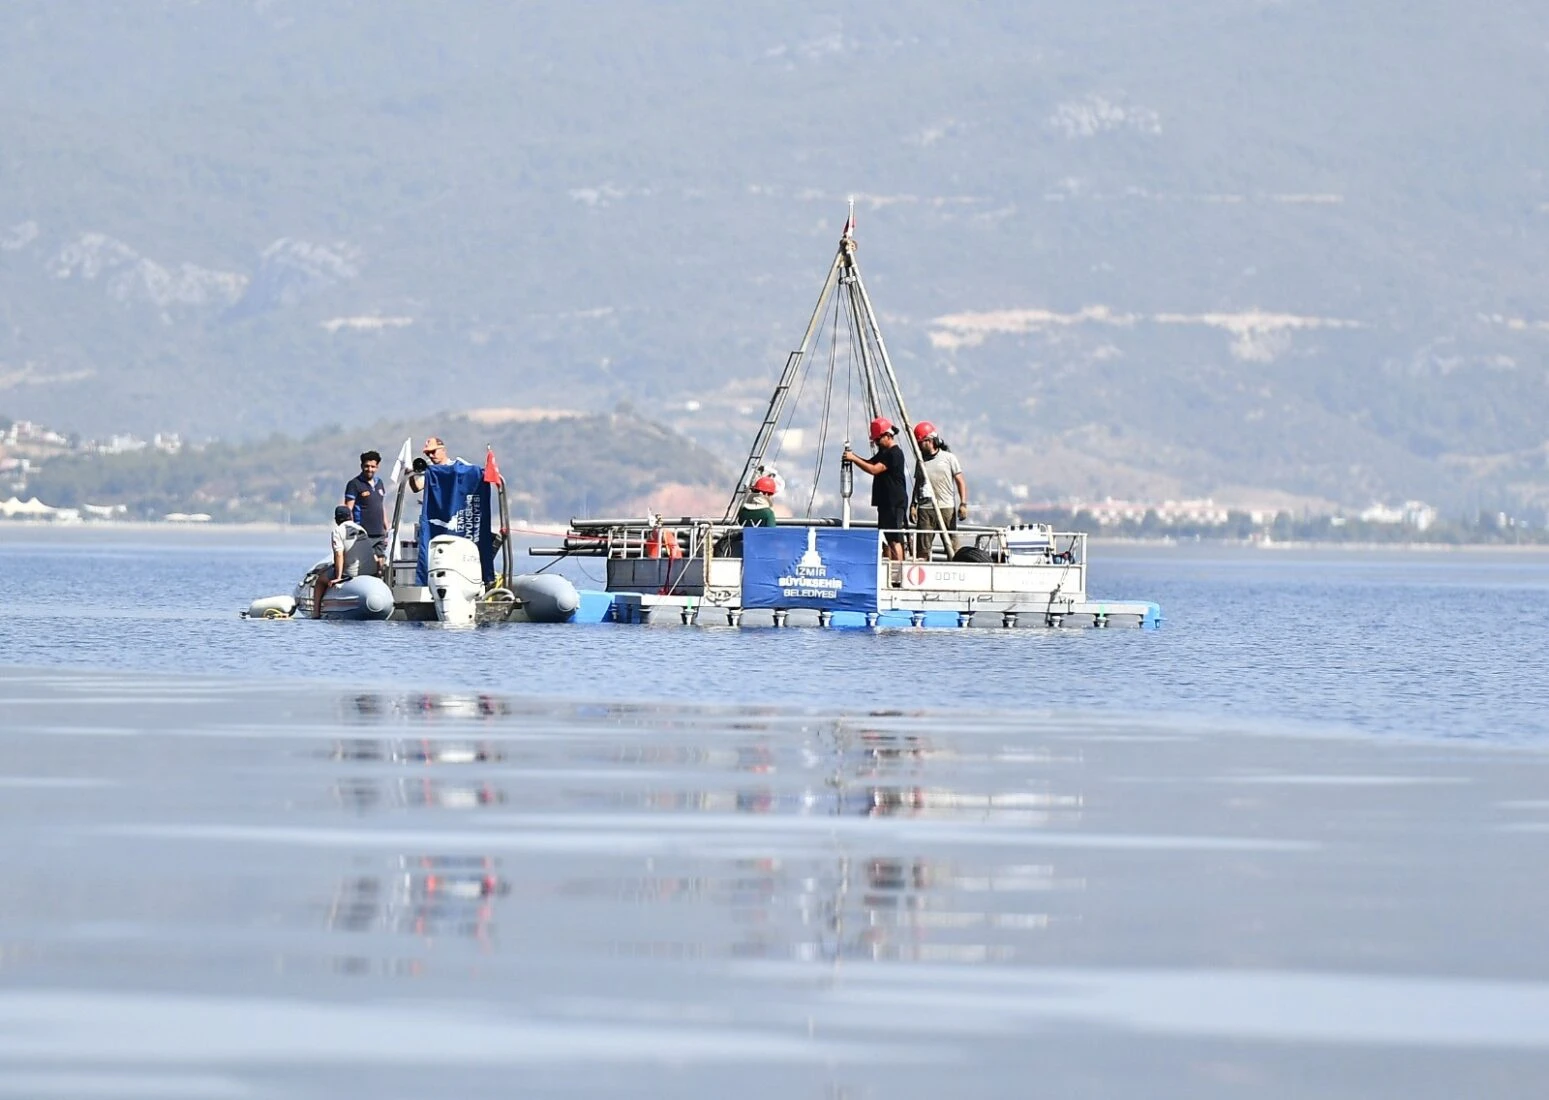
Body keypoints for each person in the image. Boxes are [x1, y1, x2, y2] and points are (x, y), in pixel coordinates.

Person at [842, 417, 909, 562]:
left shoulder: (894, 453)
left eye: (878, 439)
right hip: (884, 502)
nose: (877, 443)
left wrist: (854, 459)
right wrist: (853, 457)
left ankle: (898, 571)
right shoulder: (883, 453)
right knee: (885, 538)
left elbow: (874, 469)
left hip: (894, 502)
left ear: (887, 435)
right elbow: (870, 462)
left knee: (894, 538)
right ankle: (887, 568)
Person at [910, 421, 970, 559]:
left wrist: (963, 503)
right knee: (922, 548)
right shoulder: (920, 461)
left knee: (952, 546)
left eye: (921, 442)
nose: (919, 446)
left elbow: (960, 481)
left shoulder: (948, 458)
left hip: (946, 507)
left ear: (929, 441)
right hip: (926, 509)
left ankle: (955, 569)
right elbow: (918, 483)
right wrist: (913, 505)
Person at [312, 505, 378, 618]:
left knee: (320, 580)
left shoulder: (338, 531)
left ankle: (316, 612)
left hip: (351, 573)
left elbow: (339, 554)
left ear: (336, 519)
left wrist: (338, 577)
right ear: (351, 516)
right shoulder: (361, 529)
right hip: (371, 571)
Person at [343, 450, 388, 573]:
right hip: (363, 532)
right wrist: (350, 530)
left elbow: (381, 505)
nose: (369, 469)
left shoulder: (379, 483)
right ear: (362, 466)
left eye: (373, 466)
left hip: (379, 532)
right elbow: (348, 509)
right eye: (367, 466)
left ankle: (381, 584)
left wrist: (386, 525)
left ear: (377, 467)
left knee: (381, 562)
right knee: (371, 562)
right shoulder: (354, 484)